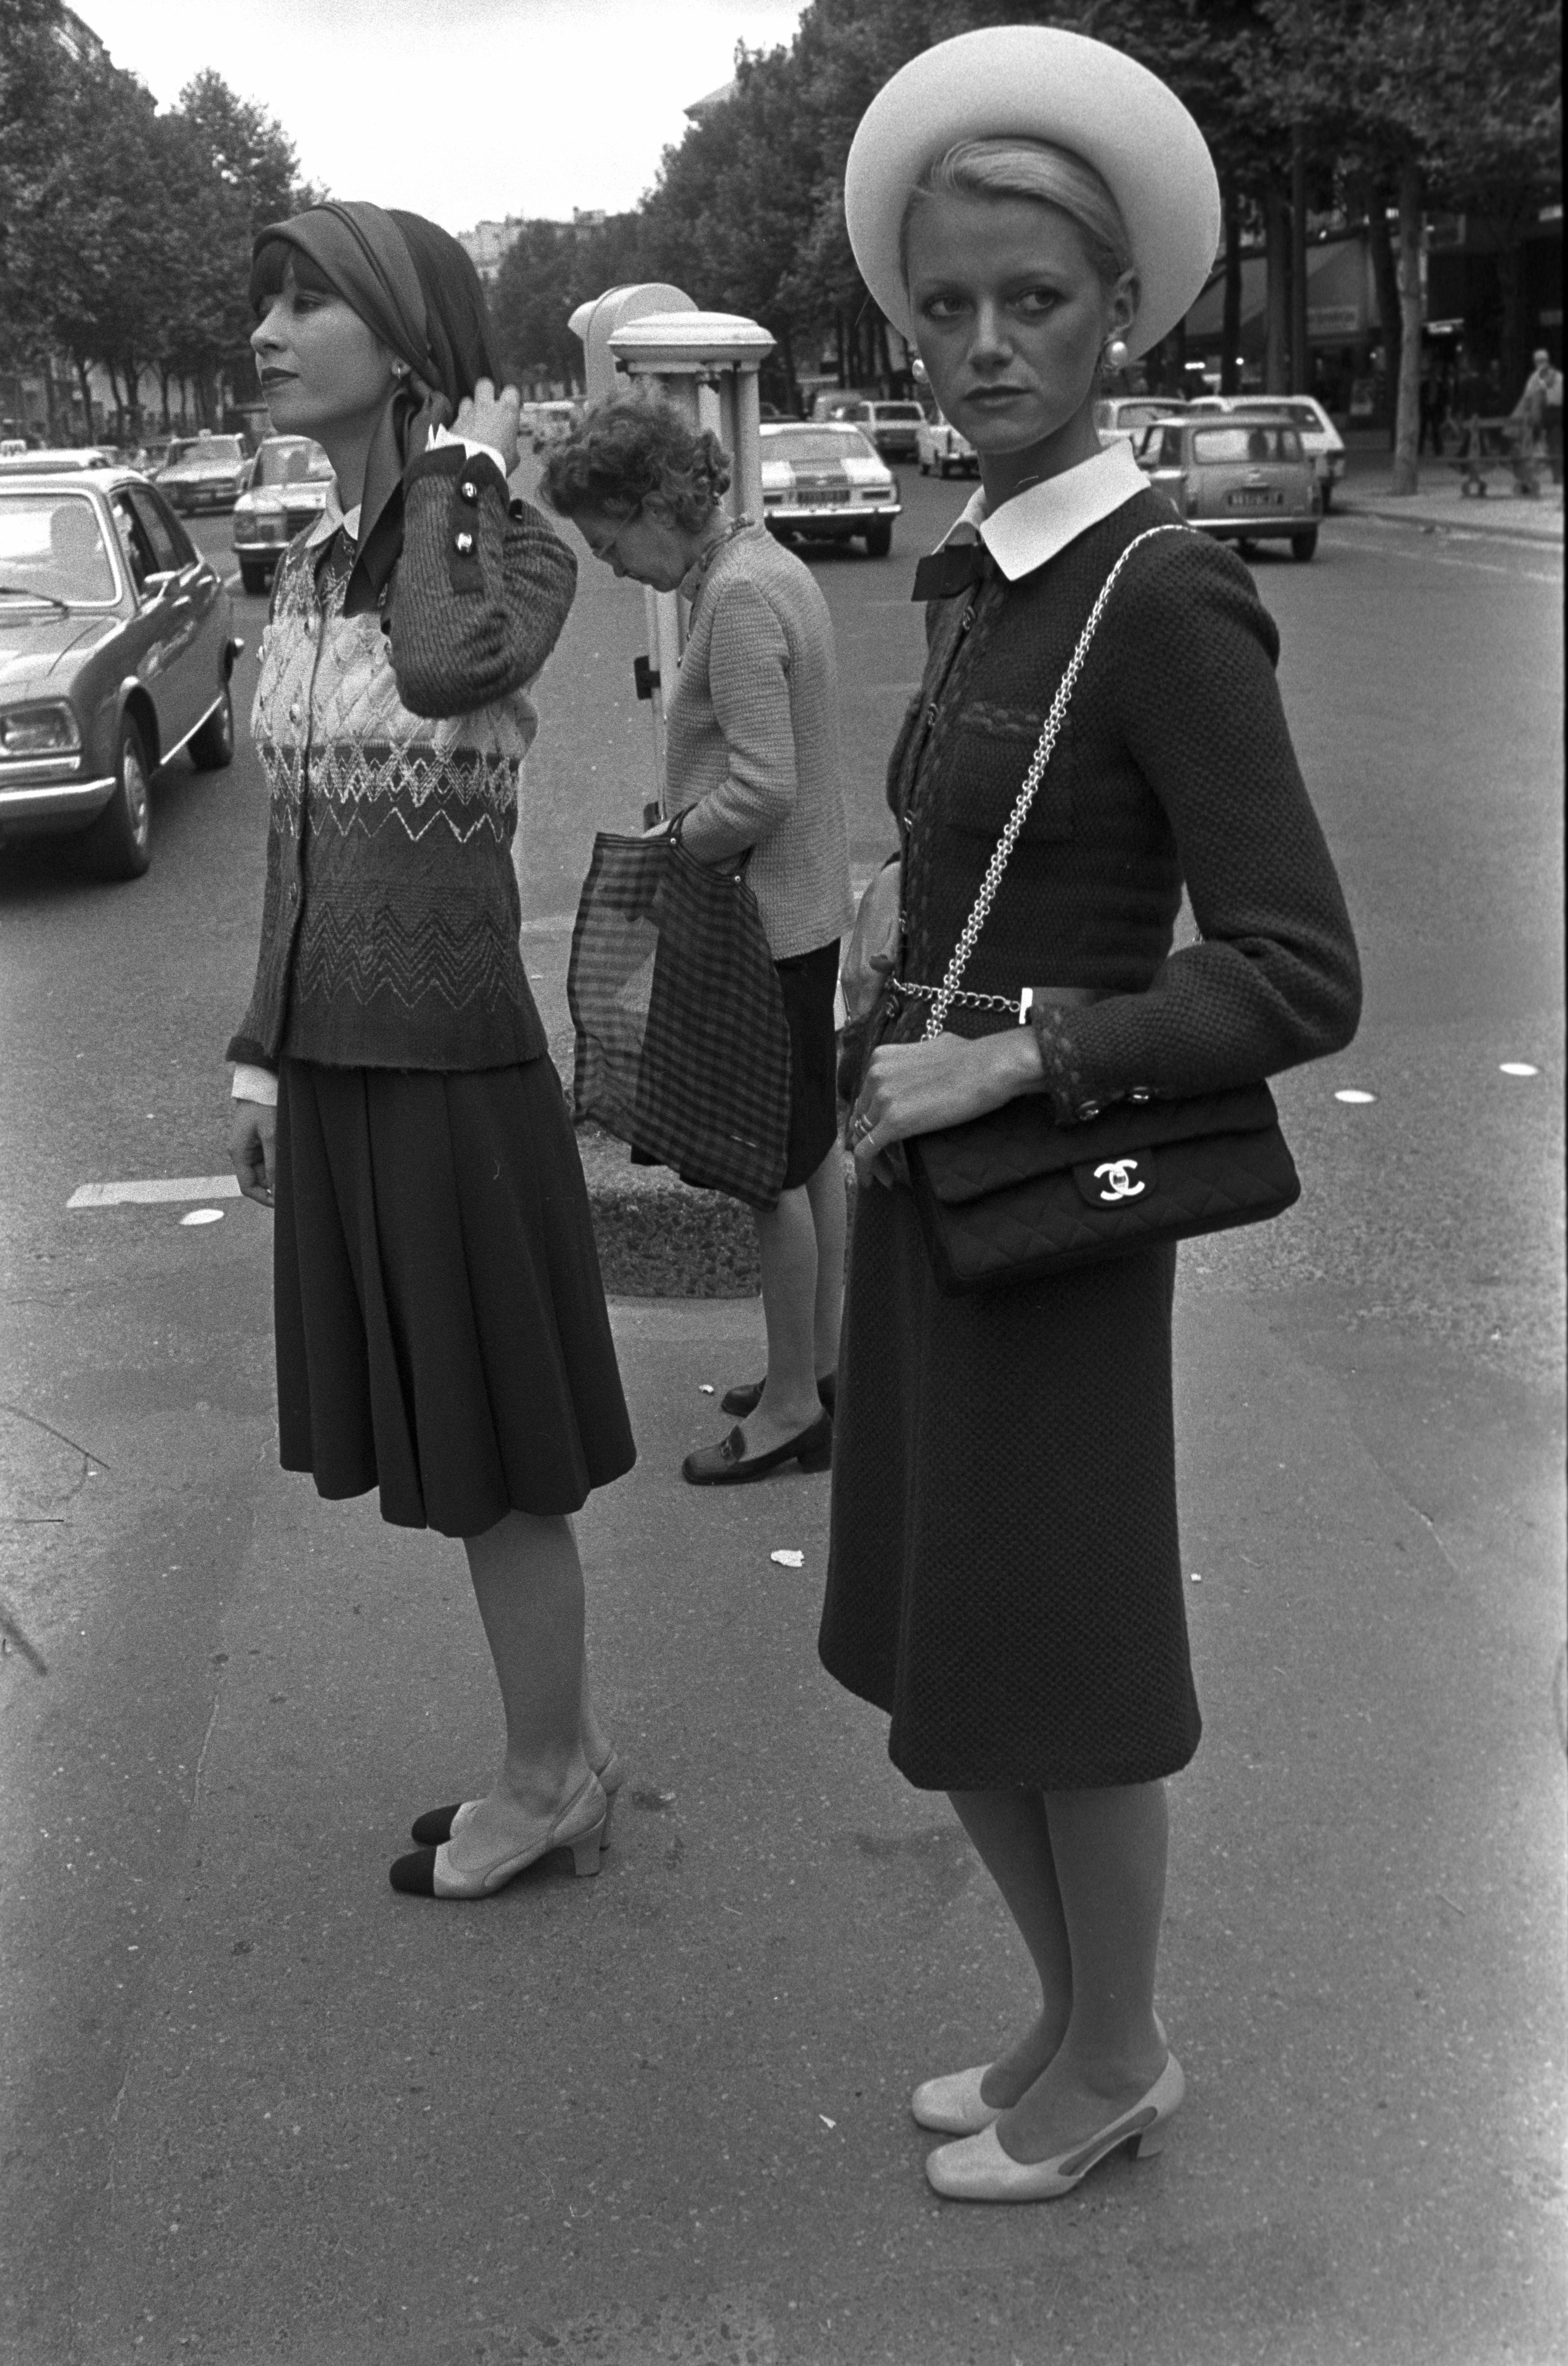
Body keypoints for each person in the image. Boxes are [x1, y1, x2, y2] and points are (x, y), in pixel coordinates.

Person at [818, 27, 1362, 2203]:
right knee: (947, 1644)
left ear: (1120, 315)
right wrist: (899, 914)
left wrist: (1016, 1048)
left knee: (1061, 1655)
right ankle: (1062, 2017)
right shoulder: (983, 569)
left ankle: (1119, 2052)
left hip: (1048, 1196)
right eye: (943, 304)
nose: (981, 345)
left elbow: (1298, 970)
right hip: (922, 1176)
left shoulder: (1161, 591)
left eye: (1030, 301)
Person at [228, 201, 636, 1903]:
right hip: (340, 1070)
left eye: (306, 302)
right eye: (263, 300)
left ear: (404, 347)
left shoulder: (501, 547)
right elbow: (292, 840)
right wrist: (262, 1059)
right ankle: (558, 1760)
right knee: (460, 1451)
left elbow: (451, 661)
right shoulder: (311, 562)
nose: (266, 330)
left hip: (453, 1074)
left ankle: (550, 1782)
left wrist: (457, 475)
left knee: (498, 1457)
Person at [542, 395, 855, 1485]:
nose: (612, 566)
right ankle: (821, 1369)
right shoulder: (771, 567)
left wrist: (674, 843)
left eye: (608, 543)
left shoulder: (735, 600)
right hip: (802, 915)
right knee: (809, 1153)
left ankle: (790, 1408)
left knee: (765, 1175)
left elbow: (762, 788)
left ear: (650, 507)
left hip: (755, 926)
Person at [1514, 349, 1563, 486]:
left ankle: (1531, 475)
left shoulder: (1536, 377)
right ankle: (1557, 475)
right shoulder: (1559, 376)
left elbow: (1528, 397)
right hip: (1557, 413)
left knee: (1534, 445)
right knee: (1555, 444)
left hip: (1544, 414)